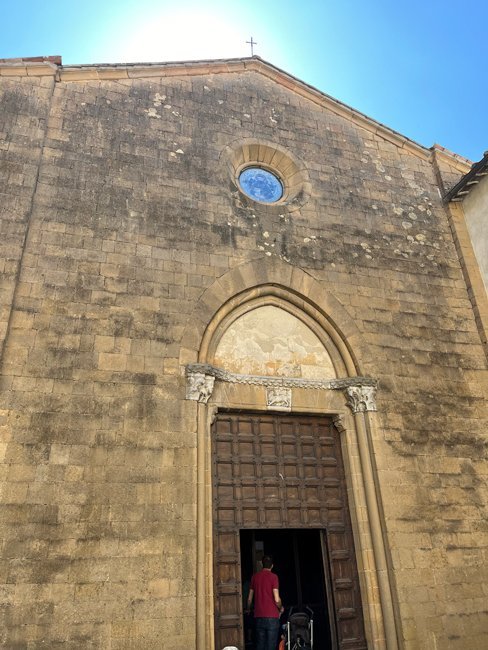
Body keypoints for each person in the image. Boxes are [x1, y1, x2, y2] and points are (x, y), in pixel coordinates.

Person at [246, 555, 283, 650]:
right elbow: (277, 599)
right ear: (272, 566)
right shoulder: (274, 577)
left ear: (262, 564)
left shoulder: (255, 577)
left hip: (258, 616)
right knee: (271, 646)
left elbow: (249, 599)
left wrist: (248, 609)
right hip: (272, 617)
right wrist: (280, 608)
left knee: (260, 645)